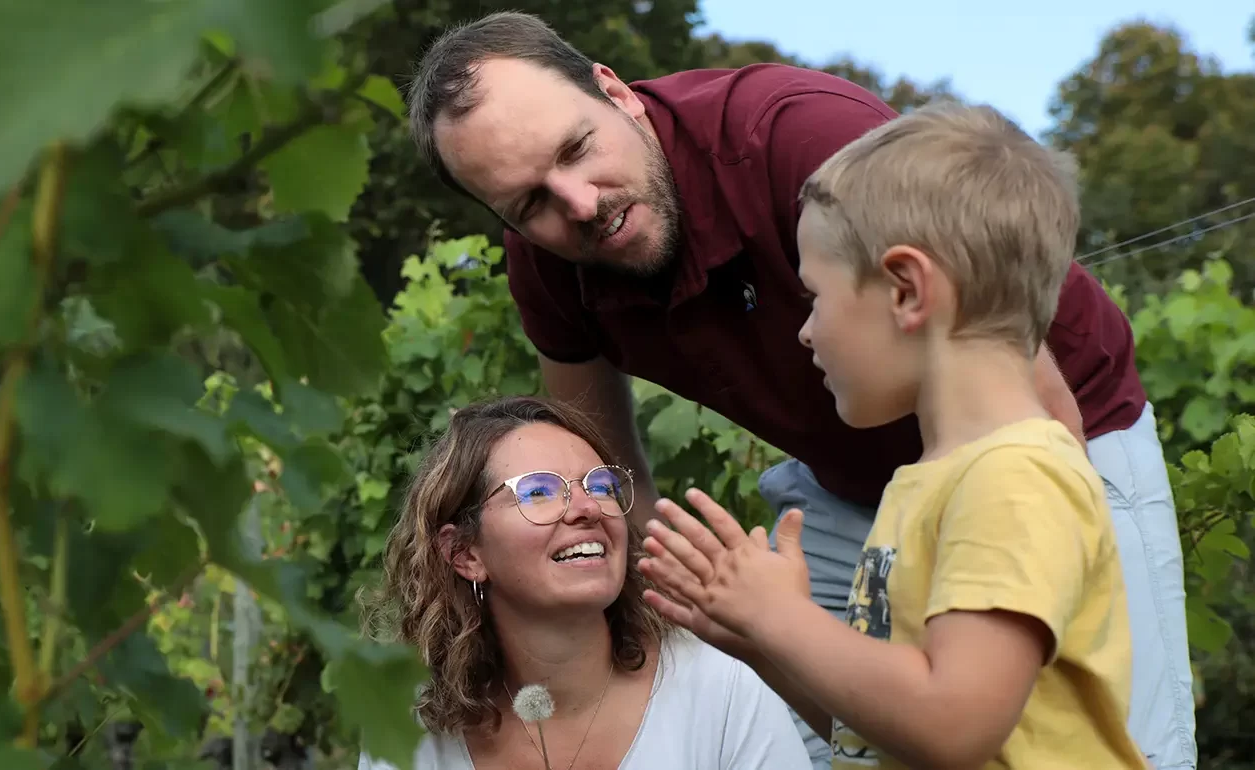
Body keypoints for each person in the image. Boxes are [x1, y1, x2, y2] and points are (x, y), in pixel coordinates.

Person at [403, 11, 1193, 769]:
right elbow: (604, 462)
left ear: (614, 89)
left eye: (576, 149)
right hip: (875, 475)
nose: (578, 204)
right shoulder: (549, 265)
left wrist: (1058, 546)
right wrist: (748, 630)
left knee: (1111, 728)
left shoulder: (800, 142)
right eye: (530, 204)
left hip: (1058, 430)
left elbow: (1029, 420)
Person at [637, 101, 1143, 768]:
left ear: (906, 291)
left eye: (815, 295)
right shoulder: (930, 482)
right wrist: (763, 641)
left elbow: (954, 726)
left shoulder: (1015, 477)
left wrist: (782, 618)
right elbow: (878, 734)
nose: (805, 329)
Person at [354, 396, 809, 769]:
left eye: (601, 485)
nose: (588, 507)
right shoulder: (412, 731)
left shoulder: (720, 686)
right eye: (538, 491)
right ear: (464, 554)